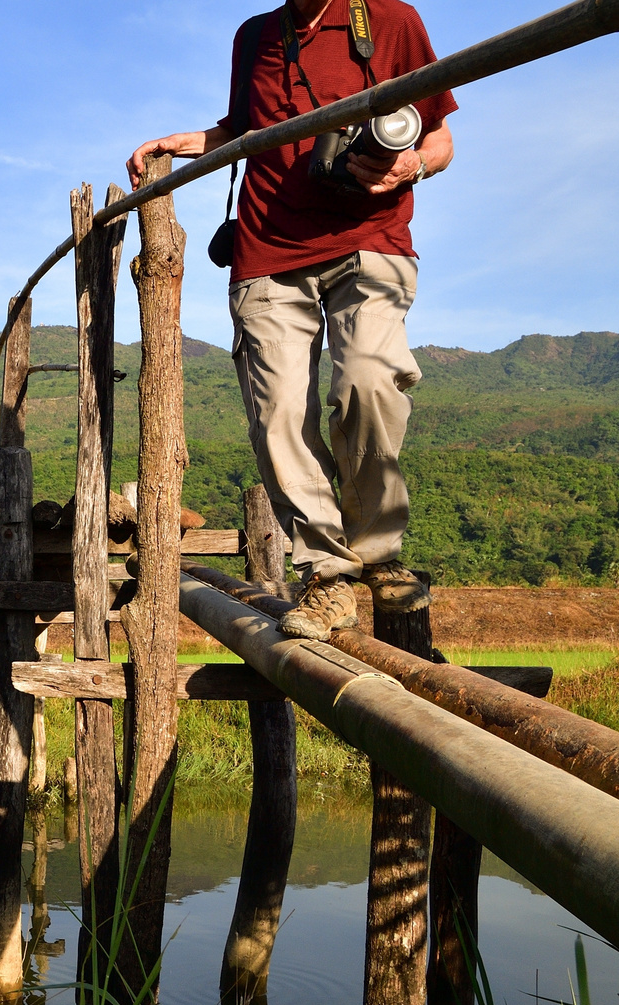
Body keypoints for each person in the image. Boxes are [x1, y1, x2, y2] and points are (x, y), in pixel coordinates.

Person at [126, 0, 456, 639]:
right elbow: (243, 131)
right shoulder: (254, 38)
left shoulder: (391, 22)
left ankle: (379, 556)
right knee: (277, 412)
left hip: (371, 239)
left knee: (369, 382)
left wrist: (409, 165)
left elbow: (439, 136)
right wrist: (181, 145)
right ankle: (328, 578)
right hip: (267, 251)